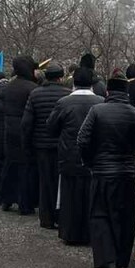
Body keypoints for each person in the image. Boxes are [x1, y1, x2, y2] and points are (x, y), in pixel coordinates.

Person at [78, 70, 135, 268]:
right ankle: (121, 261)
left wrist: (89, 162)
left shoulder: (97, 111)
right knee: (124, 218)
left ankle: (107, 265)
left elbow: (82, 139)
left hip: (101, 172)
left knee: (101, 216)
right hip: (127, 173)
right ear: (126, 92)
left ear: (108, 90)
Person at [46, 67, 103, 245]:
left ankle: (71, 233)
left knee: (70, 196)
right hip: (93, 157)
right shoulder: (101, 101)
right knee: (91, 197)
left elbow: (51, 128)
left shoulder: (64, 103)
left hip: (69, 154)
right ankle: (89, 233)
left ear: (74, 82)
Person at [22, 63, 71, 229]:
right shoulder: (68, 95)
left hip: (41, 145)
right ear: (60, 77)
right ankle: (61, 215)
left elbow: (27, 123)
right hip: (62, 145)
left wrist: (27, 144)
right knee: (61, 181)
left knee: (44, 181)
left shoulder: (35, 94)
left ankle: (46, 218)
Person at [0, 56, 39, 214]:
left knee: (10, 164)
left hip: (9, 129)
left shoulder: (9, 86)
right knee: (26, 168)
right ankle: (25, 204)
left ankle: (6, 198)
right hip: (25, 130)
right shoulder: (32, 88)